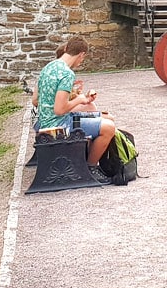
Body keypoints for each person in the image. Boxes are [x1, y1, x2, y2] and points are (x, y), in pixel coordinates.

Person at [35, 36, 116, 184]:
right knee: (109, 128)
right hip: (58, 125)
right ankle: (90, 168)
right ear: (82, 54)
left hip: (46, 120)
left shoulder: (49, 67)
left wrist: (82, 99)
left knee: (106, 117)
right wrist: (79, 99)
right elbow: (60, 110)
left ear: (66, 49)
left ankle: (85, 158)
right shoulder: (67, 73)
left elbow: (37, 100)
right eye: (82, 58)